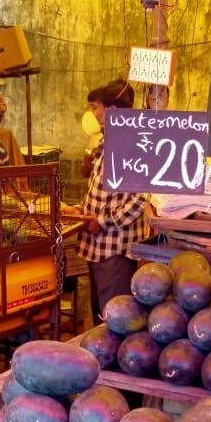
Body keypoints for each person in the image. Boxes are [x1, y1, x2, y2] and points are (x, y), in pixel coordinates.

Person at [76, 79, 151, 323]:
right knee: (102, 313)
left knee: (114, 317)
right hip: (98, 245)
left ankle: (110, 360)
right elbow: (102, 190)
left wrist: (104, 221)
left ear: (113, 110)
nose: (93, 113)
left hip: (114, 246)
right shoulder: (106, 140)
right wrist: (82, 210)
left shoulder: (132, 142)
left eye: (95, 107)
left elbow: (140, 197)